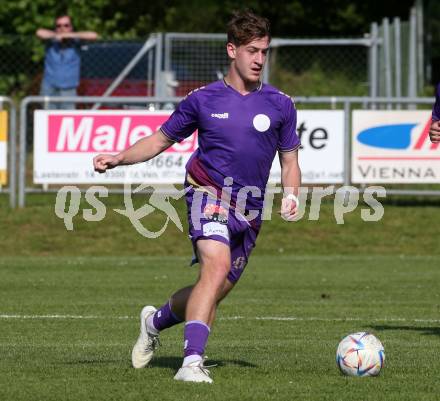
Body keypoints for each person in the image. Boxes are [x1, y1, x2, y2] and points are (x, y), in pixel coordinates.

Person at [93, 10, 301, 384]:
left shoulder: (281, 104)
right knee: (215, 267)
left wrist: (292, 195)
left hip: (250, 209)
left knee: (213, 289)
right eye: (251, 50)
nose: (258, 59)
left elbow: (289, 161)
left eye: (264, 51)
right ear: (231, 50)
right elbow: (159, 140)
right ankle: (191, 363)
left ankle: (153, 321)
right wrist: (119, 157)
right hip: (208, 192)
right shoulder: (202, 100)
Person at [36, 14, 98, 109]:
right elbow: (39, 32)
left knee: (66, 120)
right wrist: (55, 35)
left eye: (66, 25)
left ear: (71, 27)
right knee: (47, 118)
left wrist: (70, 35)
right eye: (59, 26)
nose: (62, 28)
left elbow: (94, 35)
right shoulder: (51, 41)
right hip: (49, 87)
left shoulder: (76, 41)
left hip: (68, 89)